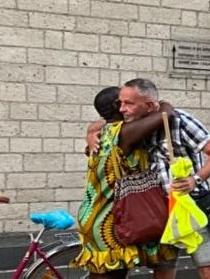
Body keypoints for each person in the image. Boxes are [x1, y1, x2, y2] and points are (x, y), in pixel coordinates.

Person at [119, 78, 210, 279]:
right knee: (162, 272)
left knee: (209, 271)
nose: (122, 109)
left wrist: (195, 179)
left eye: (129, 103)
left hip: (191, 205)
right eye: (121, 103)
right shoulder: (132, 126)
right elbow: (102, 124)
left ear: (150, 105)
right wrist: (91, 134)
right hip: (159, 208)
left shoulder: (180, 121)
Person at [73, 86, 180, 279]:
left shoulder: (104, 133)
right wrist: (158, 103)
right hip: (108, 221)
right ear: (117, 106)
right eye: (124, 101)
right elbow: (167, 113)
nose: (126, 105)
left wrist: (91, 130)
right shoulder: (125, 132)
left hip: (98, 215)